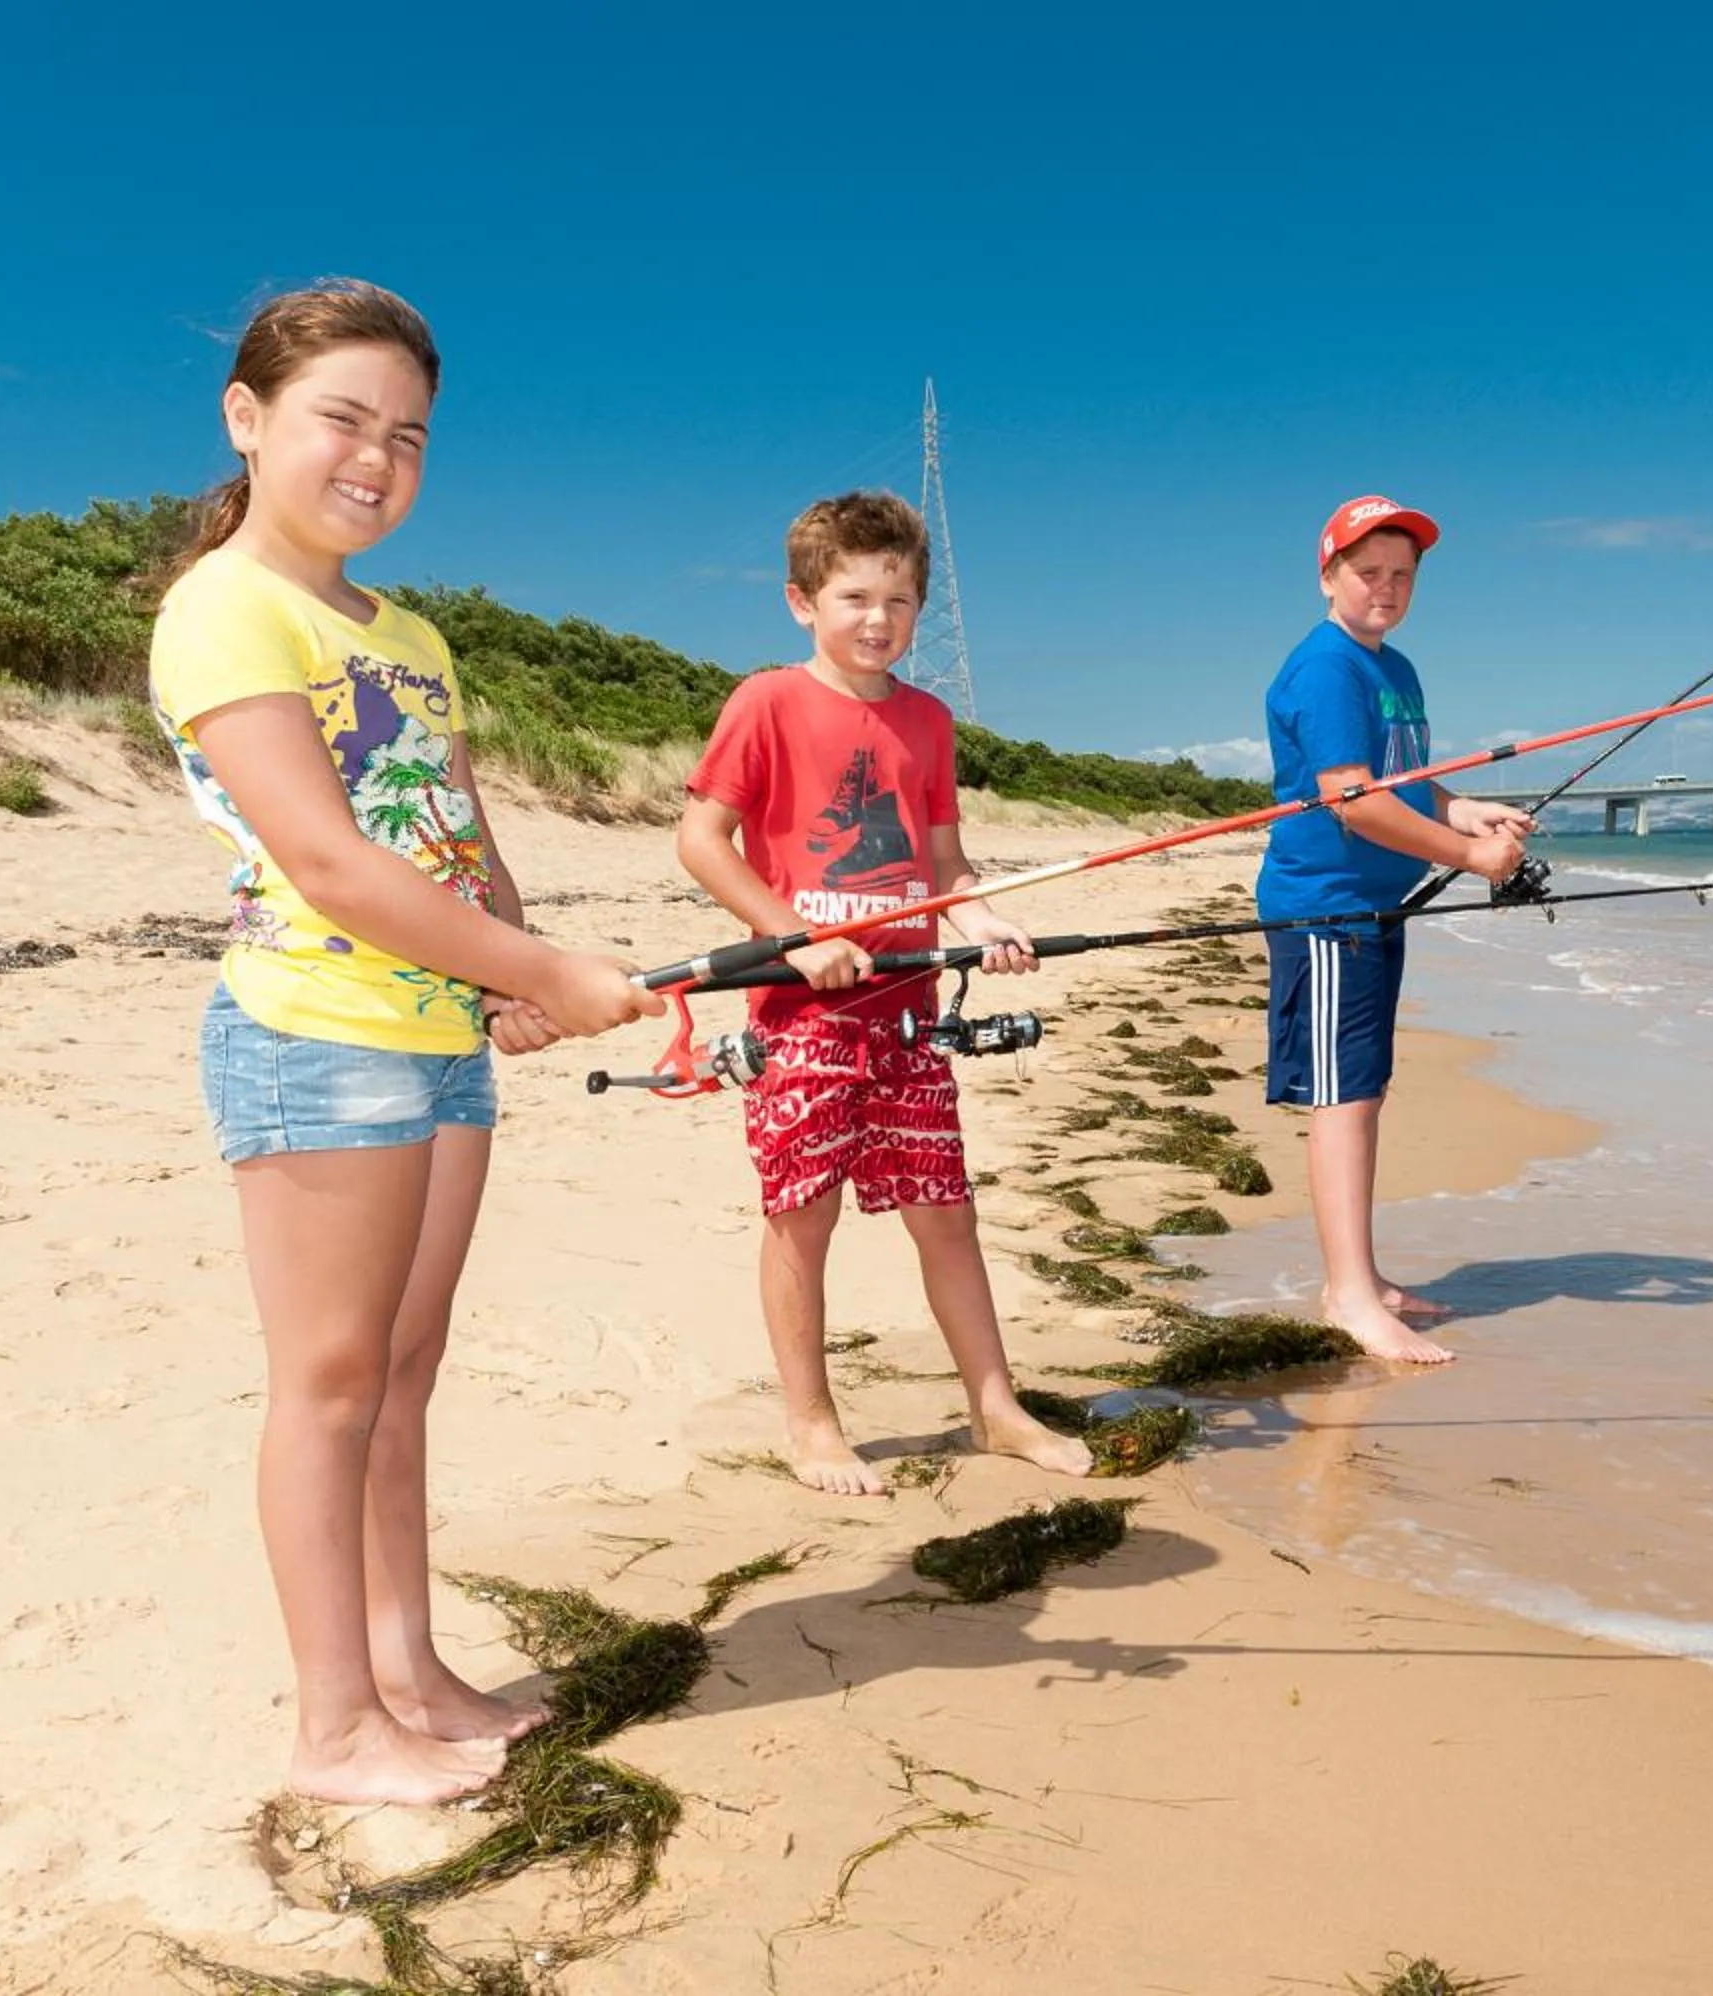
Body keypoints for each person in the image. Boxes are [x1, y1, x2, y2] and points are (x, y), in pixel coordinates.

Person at [150, 280, 663, 1806]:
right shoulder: (226, 606)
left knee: (403, 1370)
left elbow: (452, 836)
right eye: (342, 420)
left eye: (409, 436)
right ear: (248, 421)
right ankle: (332, 1727)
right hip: (315, 1034)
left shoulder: (413, 634)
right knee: (328, 1381)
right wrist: (544, 968)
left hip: (436, 1035)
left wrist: (518, 968)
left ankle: (408, 1662)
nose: (375, 459)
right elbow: (331, 864)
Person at [676, 491, 1093, 1496]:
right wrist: (795, 935)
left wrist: (982, 925)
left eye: (898, 599)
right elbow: (700, 838)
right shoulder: (767, 702)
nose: (877, 618)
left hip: (909, 1014)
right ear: (801, 601)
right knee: (802, 1213)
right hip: (800, 1011)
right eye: (854, 596)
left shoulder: (929, 719)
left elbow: (945, 864)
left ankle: (994, 1407)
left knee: (947, 1213)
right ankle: (812, 1423)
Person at [1254, 496, 1535, 1365]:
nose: (1385, 587)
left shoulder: (1395, 668)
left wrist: (1466, 808)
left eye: (1401, 574)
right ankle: (1346, 1295)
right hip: (1327, 908)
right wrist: (1468, 855)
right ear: (1328, 574)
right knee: (1341, 1102)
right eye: (1367, 572)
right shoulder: (1327, 669)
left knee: (1364, 1092)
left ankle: (1364, 1277)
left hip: (1379, 908)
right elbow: (1353, 798)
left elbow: (1407, 783)